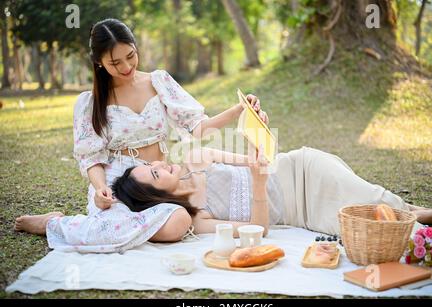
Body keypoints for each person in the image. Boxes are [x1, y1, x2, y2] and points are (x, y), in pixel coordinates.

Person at [13, 18, 268, 253]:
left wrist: (239, 109)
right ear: (99, 62)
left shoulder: (159, 81)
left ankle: (102, 226)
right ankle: (55, 224)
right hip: (119, 183)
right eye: (115, 63)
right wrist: (101, 188)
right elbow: (91, 158)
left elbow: (199, 128)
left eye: (130, 56)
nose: (126, 67)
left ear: (135, 47)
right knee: (116, 224)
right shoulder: (90, 102)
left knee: (179, 219)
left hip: (158, 179)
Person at [16, 146, 432, 241]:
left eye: (153, 163)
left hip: (298, 169)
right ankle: (405, 215)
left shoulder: (192, 156)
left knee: (360, 192)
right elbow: (260, 228)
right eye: (152, 172)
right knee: (355, 223)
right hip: (297, 212)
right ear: (153, 194)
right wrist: (259, 187)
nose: (161, 165)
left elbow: (250, 152)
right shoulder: (199, 221)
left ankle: (413, 208)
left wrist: (256, 161)